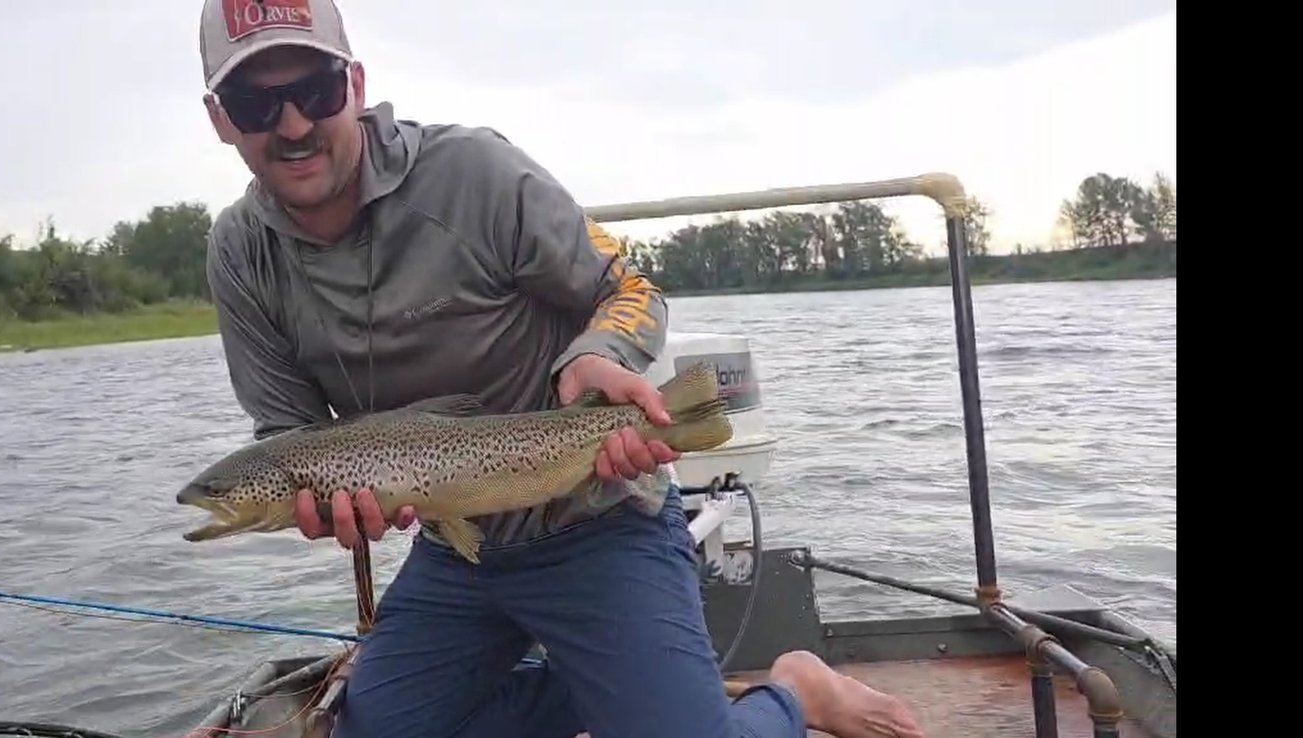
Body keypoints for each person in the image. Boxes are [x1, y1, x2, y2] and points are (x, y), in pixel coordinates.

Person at [196, 1, 926, 737]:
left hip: (600, 519)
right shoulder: (238, 253)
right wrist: (328, 512)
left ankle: (793, 691)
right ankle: (621, 688)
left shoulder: (472, 173)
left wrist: (598, 356)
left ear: (354, 83)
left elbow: (630, 287)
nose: (291, 125)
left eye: (315, 91)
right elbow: (288, 432)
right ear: (219, 118)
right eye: (255, 103)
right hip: (459, 550)